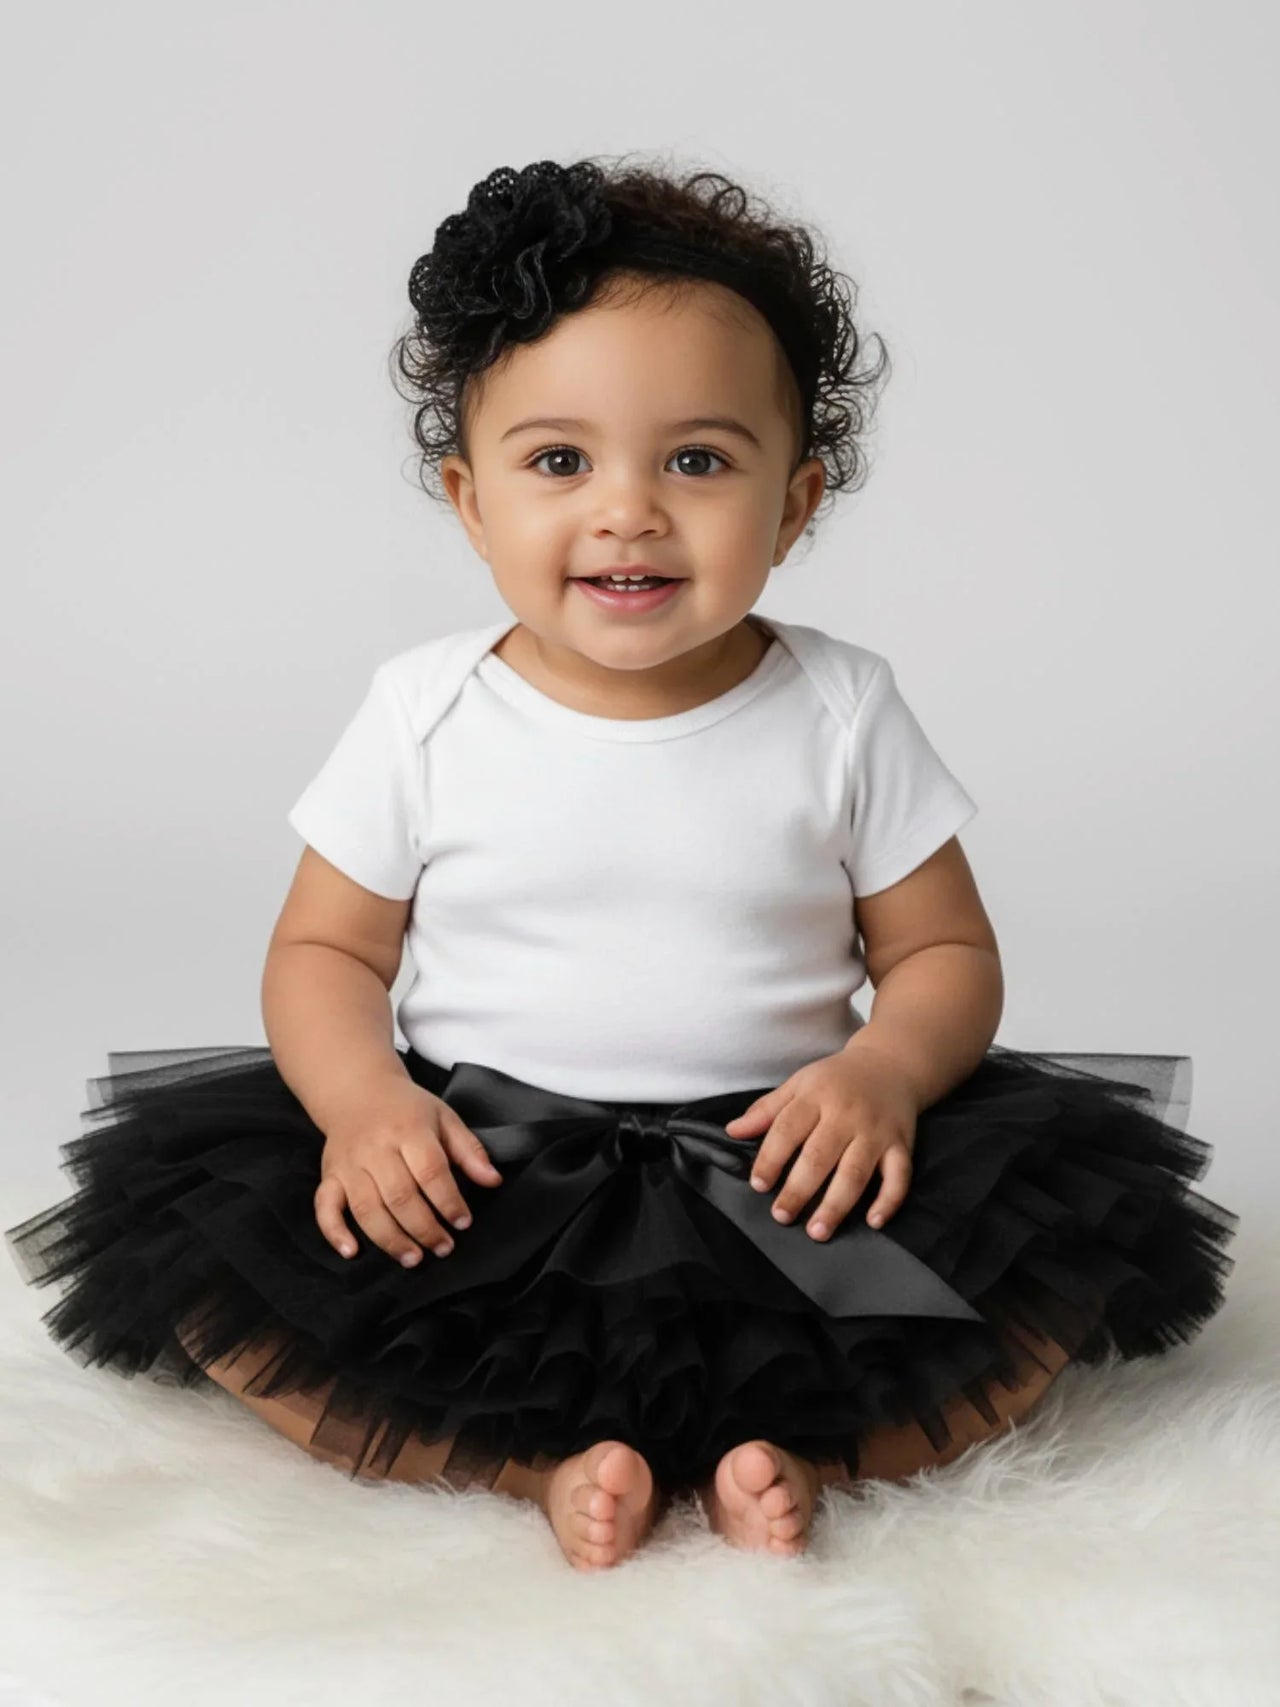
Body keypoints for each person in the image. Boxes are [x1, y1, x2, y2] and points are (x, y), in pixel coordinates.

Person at [4, 155, 1240, 1574]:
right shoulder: (427, 709)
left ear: (796, 503)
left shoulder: (840, 707)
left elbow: (943, 951)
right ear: (471, 502)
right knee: (257, 1312)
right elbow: (326, 949)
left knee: (1026, 1314)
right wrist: (361, 1104)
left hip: (783, 1161)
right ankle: (533, 1470)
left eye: (698, 461)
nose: (629, 510)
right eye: (559, 462)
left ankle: (807, 1458)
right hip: (486, 1161)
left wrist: (884, 1075)